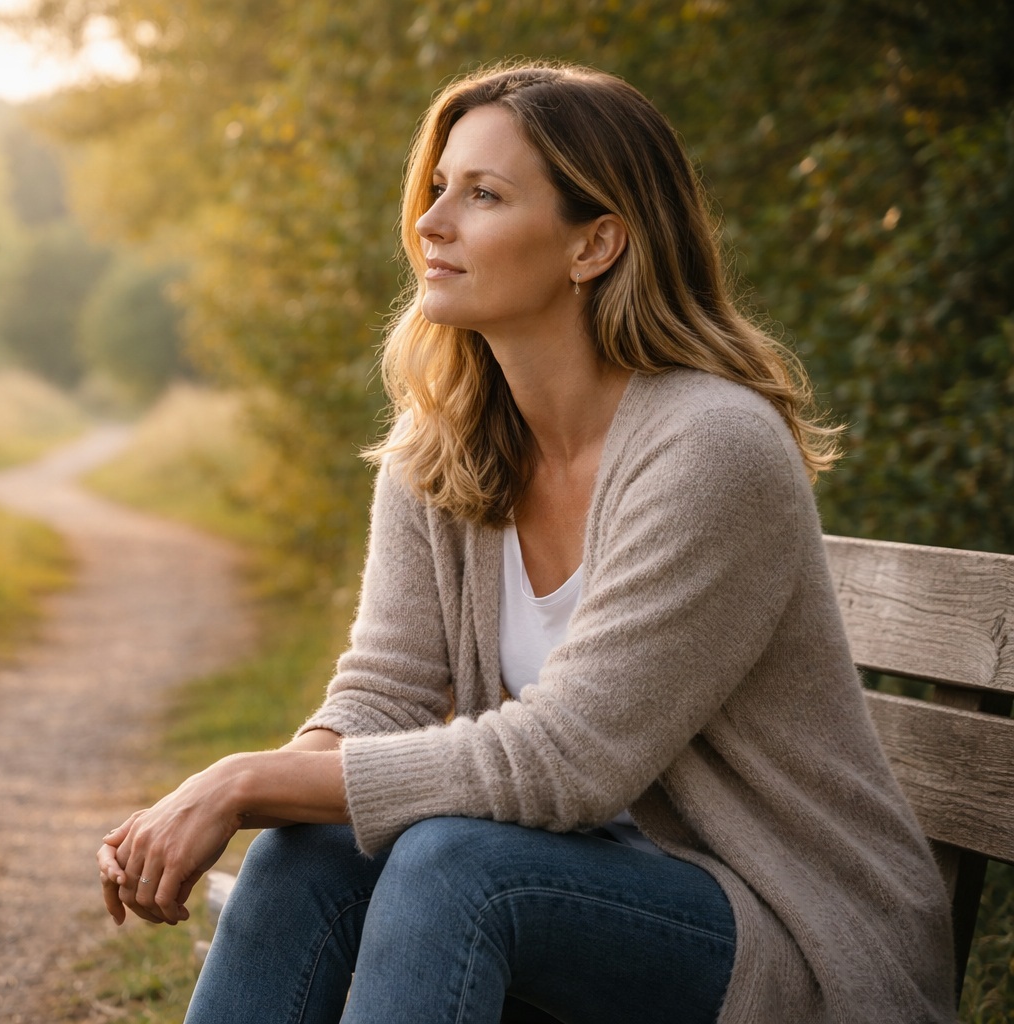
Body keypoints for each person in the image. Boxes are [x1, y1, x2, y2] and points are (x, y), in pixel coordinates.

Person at [95, 63, 955, 1024]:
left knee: (454, 864)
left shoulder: (713, 447)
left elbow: (568, 760)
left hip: (785, 930)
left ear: (595, 243)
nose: (431, 221)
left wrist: (243, 779)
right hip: (568, 886)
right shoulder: (445, 447)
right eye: (437, 188)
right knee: (313, 848)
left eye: (484, 195)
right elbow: (382, 693)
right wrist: (275, 787)